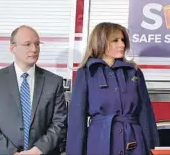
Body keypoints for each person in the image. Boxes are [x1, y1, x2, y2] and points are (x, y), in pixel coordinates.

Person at [66, 22, 159, 155]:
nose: (122, 45)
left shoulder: (134, 72)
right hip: (98, 144)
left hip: (134, 144)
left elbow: (146, 115)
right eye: (115, 40)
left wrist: (153, 150)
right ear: (100, 41)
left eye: (123, 40)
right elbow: (76, 120)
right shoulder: (86, 73)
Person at [0, 25, 67, 155]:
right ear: (12, 48)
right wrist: (12, 152)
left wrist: (37, 151)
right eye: (27, 44)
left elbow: (59, 123)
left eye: (37, 44)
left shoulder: (54, 82)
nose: (34, 49)